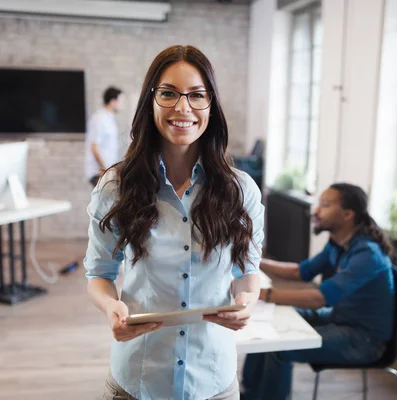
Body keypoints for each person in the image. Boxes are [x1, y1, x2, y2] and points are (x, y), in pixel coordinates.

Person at [84, 45, 265, 400]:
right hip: (137, 380)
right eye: (168, 94)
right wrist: (111, 307)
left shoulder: (241, 190)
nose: (183, 108)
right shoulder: (115, 186)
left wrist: (248, 301)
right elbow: (98, 276)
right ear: (149, 100)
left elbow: (248, 271)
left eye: (197, 95)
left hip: (213, 380)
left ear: (211, 105)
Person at [240, 183, 395, 400]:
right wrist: (254, 260)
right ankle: (249, 394)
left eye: (325, 205)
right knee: (269, 326)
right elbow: (300, 272)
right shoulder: (338, 243)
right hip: (339, 318)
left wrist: (262, 293)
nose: (316, 211)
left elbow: (320, 297)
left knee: (279, 348)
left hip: (363, 340)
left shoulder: (367, 254)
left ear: (347, 215)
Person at [85, 86, 125, 187]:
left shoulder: (109, 119)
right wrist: (106, 171)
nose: (123, 104)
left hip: (108, 172)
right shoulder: (99, 119)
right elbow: (94, 148)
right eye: (121, 100)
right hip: (99, 172)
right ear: (113, 101)